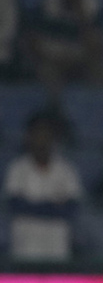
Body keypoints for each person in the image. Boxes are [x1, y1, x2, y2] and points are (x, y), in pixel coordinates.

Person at [2, 112, 82, 264]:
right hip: (25, 249)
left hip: (57, 249)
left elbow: (71, 208)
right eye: (37, 134)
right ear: (28, 137)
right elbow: (15, 205)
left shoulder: (65, 169)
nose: (41, 139)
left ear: (53, 138)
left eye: (46, 134)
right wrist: (53, 207)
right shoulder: (17, 168)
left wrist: (32, 206)